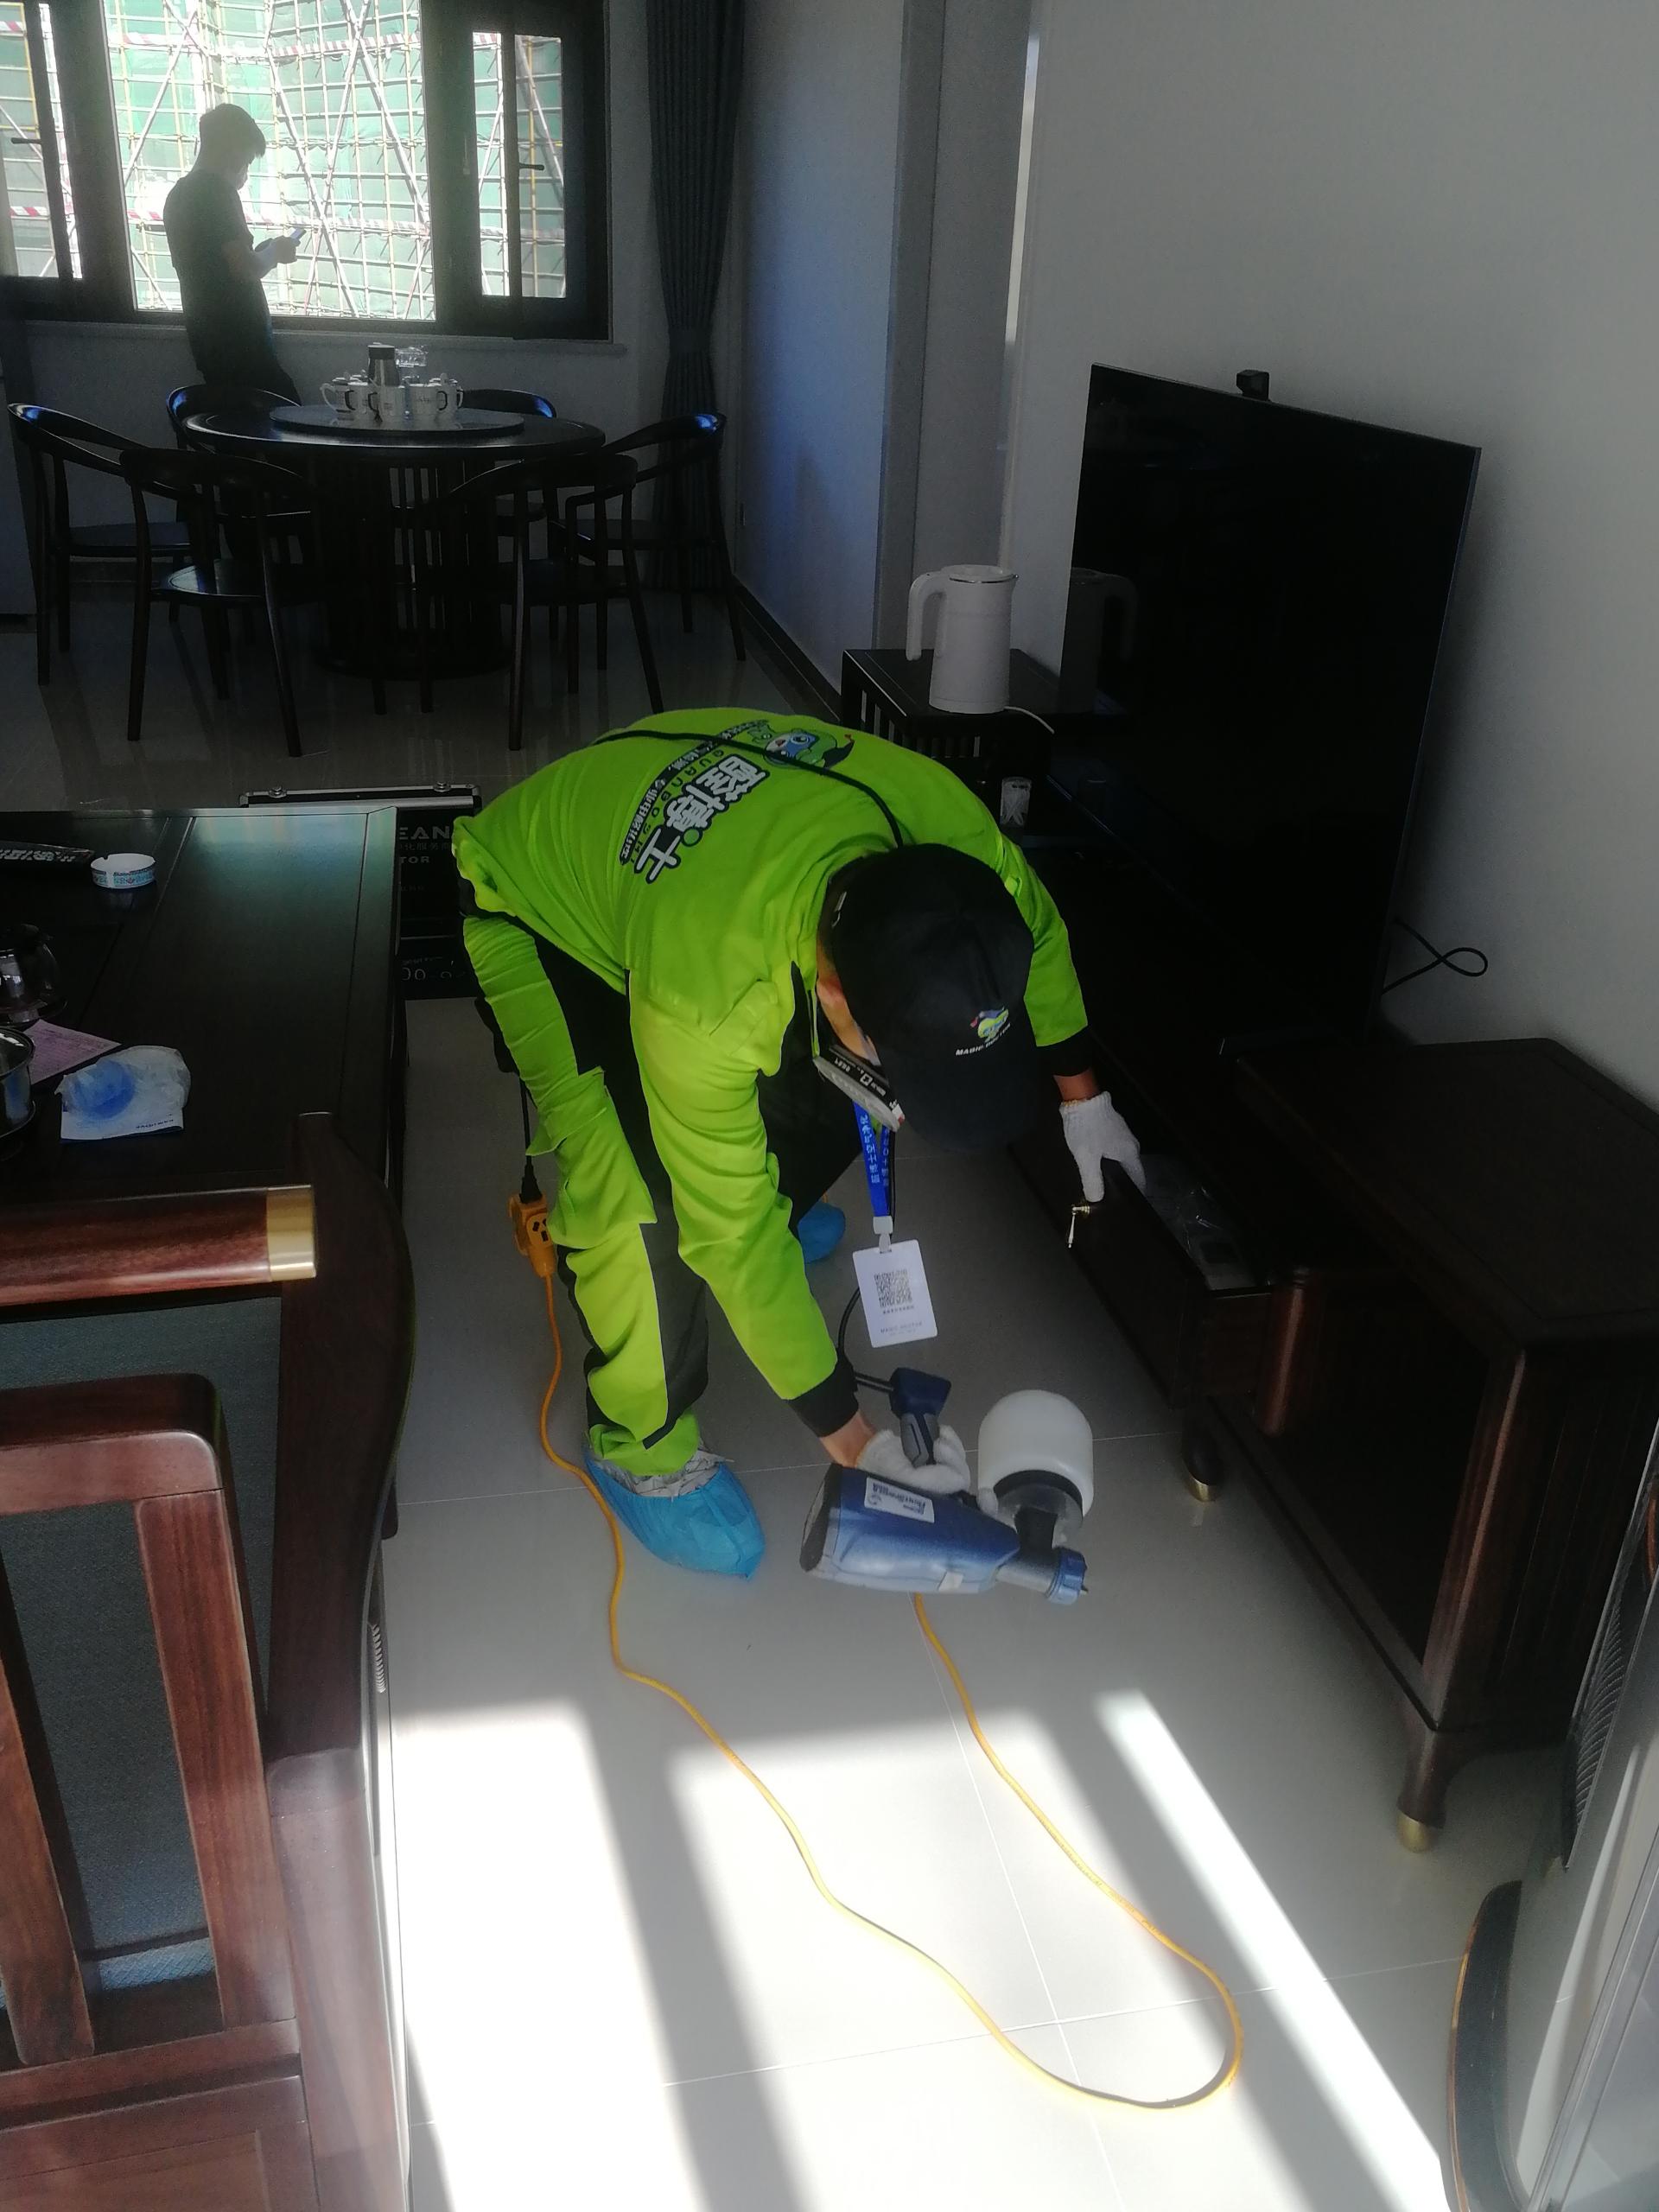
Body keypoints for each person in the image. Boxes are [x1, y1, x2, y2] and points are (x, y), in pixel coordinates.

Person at [456, 709, 1144, 1579]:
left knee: (850, 1083)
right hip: (534, 903)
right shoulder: (707, 994)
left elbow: (1036, 936)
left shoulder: (961, 843)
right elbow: (730, 1230)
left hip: (691, 845)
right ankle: (637, 1443)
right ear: (833, 987)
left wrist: (1083, 1098)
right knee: (642, 1198)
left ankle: (783, 1204)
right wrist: (856, 1443)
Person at [162, 105, 300, 400]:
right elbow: (243, 269)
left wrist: (263, 252)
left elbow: (216, 265)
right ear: (234, 150)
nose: (245, 171)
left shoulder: (178, 196)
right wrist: (275, 252)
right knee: (289, 415)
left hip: (210, 342)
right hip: (241, 345)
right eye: (247, 160)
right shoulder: (216, 193)